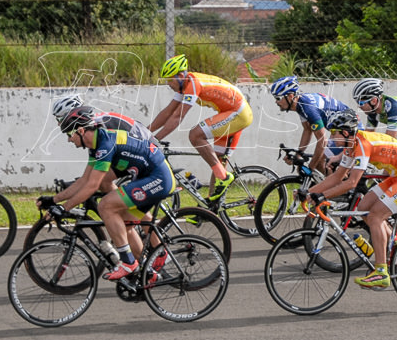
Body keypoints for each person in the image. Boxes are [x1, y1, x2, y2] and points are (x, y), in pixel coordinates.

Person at [44, 106, 177, 280]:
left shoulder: (105, 145)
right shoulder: (97, 144)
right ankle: (147, 273)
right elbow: (84, 181)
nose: (69, 140)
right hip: (148, 176)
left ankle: (129, 263)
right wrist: (54, 200)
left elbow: (92, 186)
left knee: (106, 206)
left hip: (158, 178)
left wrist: (65, 208)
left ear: (81, 131)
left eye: (70, 135)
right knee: (125, 226)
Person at [307, 110, 397, 289]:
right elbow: (338, 177)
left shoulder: (362, 145)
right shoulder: (351, 146)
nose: (332, 138)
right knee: (363, 207)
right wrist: (309, 192)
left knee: (375, 217)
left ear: (346, 132)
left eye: (335, 133)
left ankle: (381, 272)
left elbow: (352, 182)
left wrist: (322, 196)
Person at [149, 54, 252, 202]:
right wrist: (146, 131)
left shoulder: (193, 84)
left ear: (180, 75)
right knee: (217, 160)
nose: (168, 84)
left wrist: (155, 139)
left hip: (238, 113)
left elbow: (177, 117)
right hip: (231, 113)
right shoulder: (184, 86)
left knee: (195, 135)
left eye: (170, 80)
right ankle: (210, 208)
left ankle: (223, 177)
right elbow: (168, 112)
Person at [269, 75, 351, 174]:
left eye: (278, 98)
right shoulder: (300, 105)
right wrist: (299, 153)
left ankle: (339, 187)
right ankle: (336, 186)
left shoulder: (307, 108)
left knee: (318, 162)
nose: (276, 101)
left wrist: (310, 168)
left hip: (349, 132)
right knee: (319, 162)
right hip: (340, 131)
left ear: (290, 96)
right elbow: (307, 130)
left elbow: (322, 140)